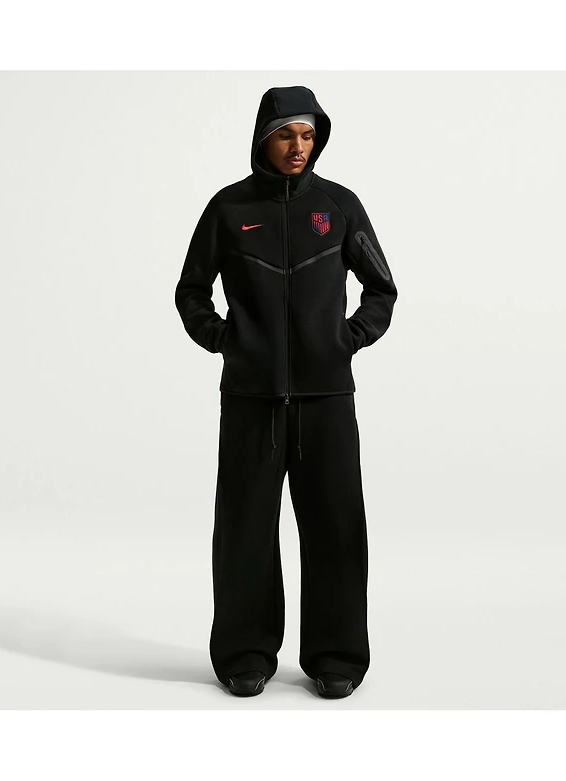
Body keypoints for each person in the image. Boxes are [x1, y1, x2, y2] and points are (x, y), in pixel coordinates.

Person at [175, 85, 398, 698]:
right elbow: (191, 290)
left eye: (307, 135)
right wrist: (225, 340)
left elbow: (382, 288)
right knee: (244, 530)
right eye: (285, 135)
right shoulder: (228, 208)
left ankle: (336, 657)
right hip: (251, 399)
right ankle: (245, 654)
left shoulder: (339, 206)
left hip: (327, 399)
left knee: (336, 526)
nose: (298, 147)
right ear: (262, 139)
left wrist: (347, 339)